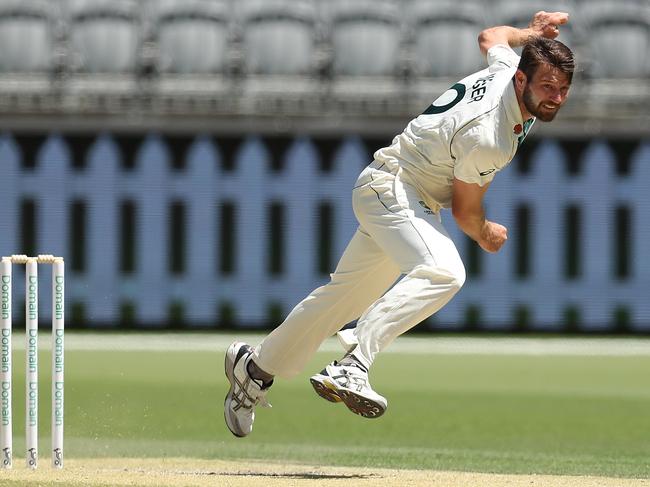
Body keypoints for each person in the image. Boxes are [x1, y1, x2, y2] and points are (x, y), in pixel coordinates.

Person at [224, 10, 575, 437]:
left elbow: (491, 35)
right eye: (546, 87)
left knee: (340, 301)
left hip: (394, 190)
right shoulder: (490, 137)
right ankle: (353, 365)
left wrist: (529, 34)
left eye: (562, 89)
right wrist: (487, 233)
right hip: (396, 191)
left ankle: (253, 369)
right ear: (522, 81)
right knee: (445, 272)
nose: (554, 97)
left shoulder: (506, 68)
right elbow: (466, 212)